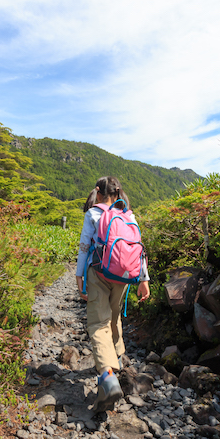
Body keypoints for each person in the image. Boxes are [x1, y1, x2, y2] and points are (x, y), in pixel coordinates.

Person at [76, 176, 151, 412]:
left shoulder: (93, 214)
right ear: (117, 194)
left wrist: (80, 277)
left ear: (98, 193)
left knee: (99, 323)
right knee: (115, 316)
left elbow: (85, 248)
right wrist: (143, 279)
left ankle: (107, 377)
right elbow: (138, 248)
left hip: (99, 273)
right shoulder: (128, 215)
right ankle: (118, 360)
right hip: (124, 276)